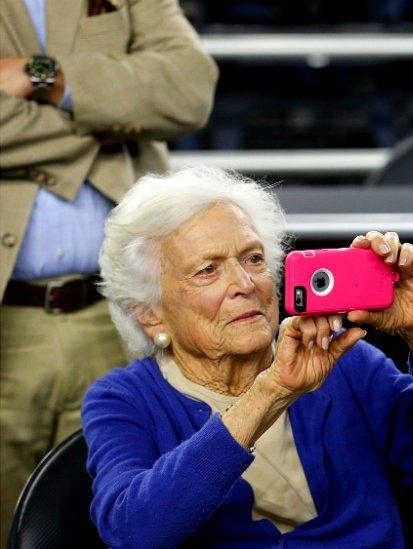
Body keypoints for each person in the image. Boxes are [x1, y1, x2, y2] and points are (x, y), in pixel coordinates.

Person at [83, 166, 413, 547]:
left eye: (253, 258)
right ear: (151, 316)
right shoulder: (123, 400)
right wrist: (270, 393)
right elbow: (134, 532)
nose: (245, 283)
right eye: (208, 270)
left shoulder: (347, 365)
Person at [0, 0, 217, 537]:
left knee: (132, 518)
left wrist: (39, 76)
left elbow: (188, 89)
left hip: (126, 311)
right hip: (9, 317)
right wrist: (110, 124)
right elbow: (156, 102)